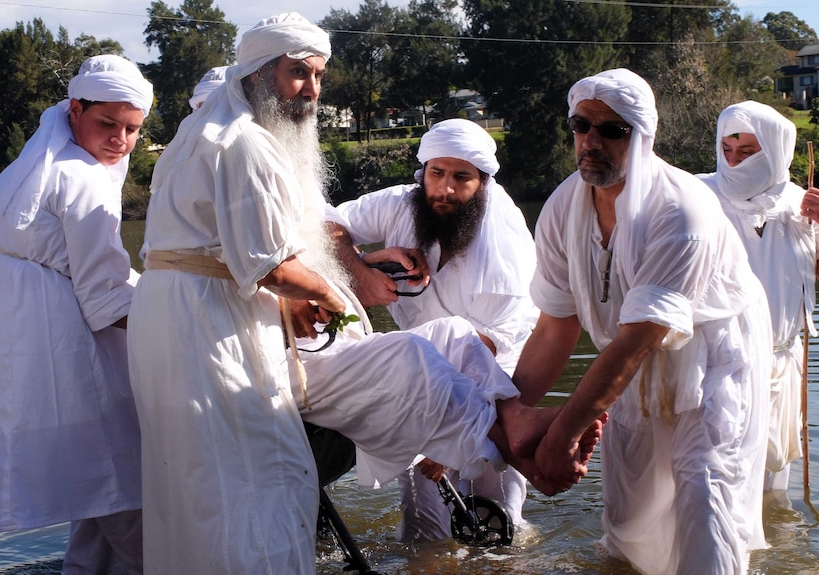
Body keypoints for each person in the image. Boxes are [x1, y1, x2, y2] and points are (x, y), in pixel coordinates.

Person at [126, 13, 602, 575]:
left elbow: (257, 247)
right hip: (214, 332)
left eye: (320, 75)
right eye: (298, 72)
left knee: (438, 345)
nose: (312, 89)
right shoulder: (243, 143)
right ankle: (526, 445)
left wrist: (343, 273)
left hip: (195, 319)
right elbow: (271, 263)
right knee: (256, 477)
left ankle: (514, 432)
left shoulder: (196, 138)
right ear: (256, 72)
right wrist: (340, 294)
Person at [511, 68, 773, 574]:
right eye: (581, 125)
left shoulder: (681, 210)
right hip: (626, 363)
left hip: (712, 355)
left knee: (703, 489)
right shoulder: (562, 208)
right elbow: (554, 327)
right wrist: (507, 421)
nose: (592, 140)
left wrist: (563, 433)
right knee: (630, 513)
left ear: (642, 135)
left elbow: (639, 338)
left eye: (612, 130)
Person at [0, 55, 152, 574]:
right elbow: (105, 297)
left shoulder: (27, 168)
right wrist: (185, 323)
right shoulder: (85, 179)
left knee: (93, 495)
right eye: (107, 124)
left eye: (132, 130)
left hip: (20, 330)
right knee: (121, 482)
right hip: (66, 339)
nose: (120, 139)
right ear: (75, 109)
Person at [327, 118, 538, 540]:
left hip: (491, 389)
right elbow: (322, 223)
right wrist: (364, 265)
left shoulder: (505, 243)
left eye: (462, 178)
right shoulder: (401, 204)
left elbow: (492, 348)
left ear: (484, 182)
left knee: (502, 529)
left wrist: (449, 433)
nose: (445, 189)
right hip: (414, 385)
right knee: (424, 532)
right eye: (436, 173)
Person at [697, 101, 818, 492]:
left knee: (770, 492)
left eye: (747, 153)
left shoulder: (801, 208)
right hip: (715, 364)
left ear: (775, 152)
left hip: (779, 364)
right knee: (713, 482)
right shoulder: (696, 198)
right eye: (727, 151)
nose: (734, 164)